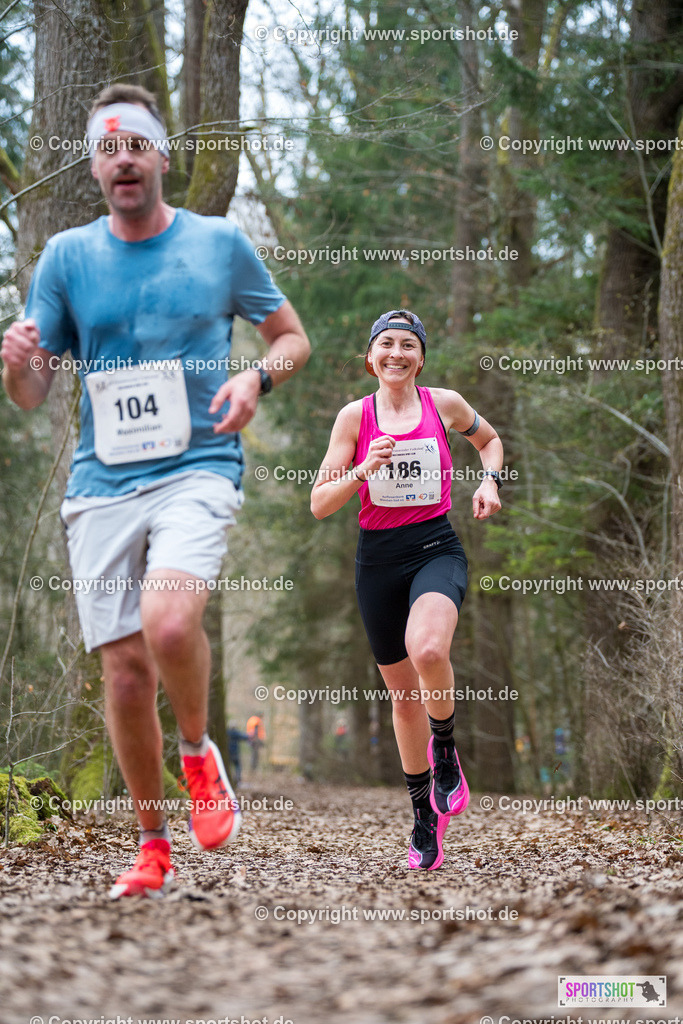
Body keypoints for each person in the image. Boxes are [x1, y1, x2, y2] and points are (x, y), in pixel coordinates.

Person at [1, 83, 310, 897]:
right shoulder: (66, 257)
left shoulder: (217, 244)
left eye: (135, 144)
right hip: (101, 483)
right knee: (126, 674)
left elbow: (292, 338)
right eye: (107, 148)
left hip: (198, 465)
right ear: (95, 167)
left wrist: (255, 380)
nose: (122, 158)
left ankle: (200, 755)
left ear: (162, 157)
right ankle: (151, 845)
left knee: (170, 620)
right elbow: (33, 392)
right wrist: (17, 360)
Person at [311, 309, 502, 870]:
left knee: (429, 650)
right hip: (378, 562)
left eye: (408, 345)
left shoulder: (444, 405)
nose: (396, 353)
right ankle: (424, 819)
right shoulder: (354, 417)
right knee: (402, 696)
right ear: (371, 358)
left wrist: (489, 479)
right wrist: (362, 469)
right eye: (386, 345)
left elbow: (489, 441)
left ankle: (445, 750)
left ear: (421, 357)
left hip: (435, 549)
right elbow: (320, 503)